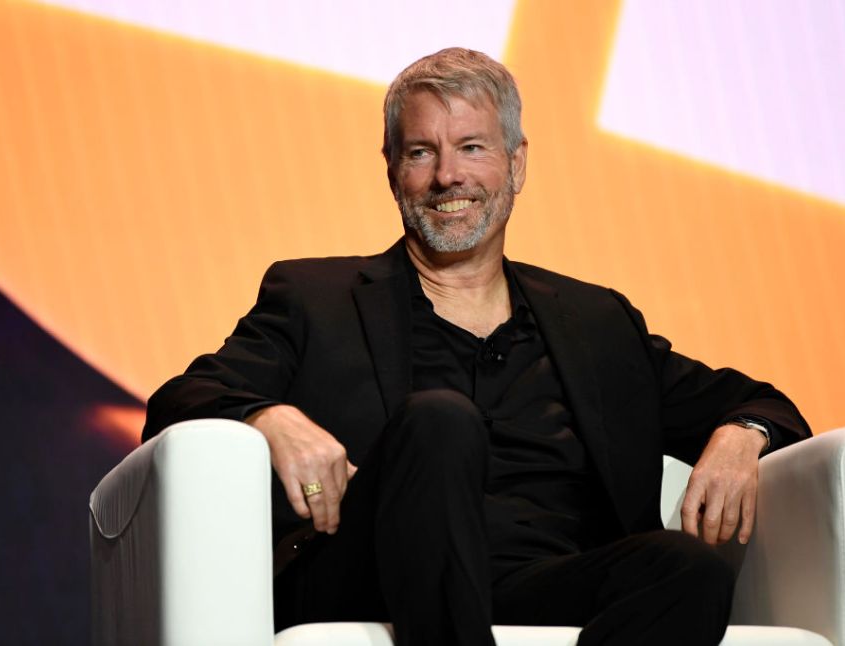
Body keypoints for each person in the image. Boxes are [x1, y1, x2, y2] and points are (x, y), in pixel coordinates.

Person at [143, 48, 810, 645]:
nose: (446, 178)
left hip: (543, 583)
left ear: (516, 164)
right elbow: (180, 400)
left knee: (685, 568)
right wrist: (268, 416)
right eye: (420, 152)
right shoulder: (315, 296)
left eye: (472, 148)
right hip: (371, 575)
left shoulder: (594, 320)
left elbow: (765, 402)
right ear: (392, 171)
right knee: (438, 420)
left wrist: (744, 430)